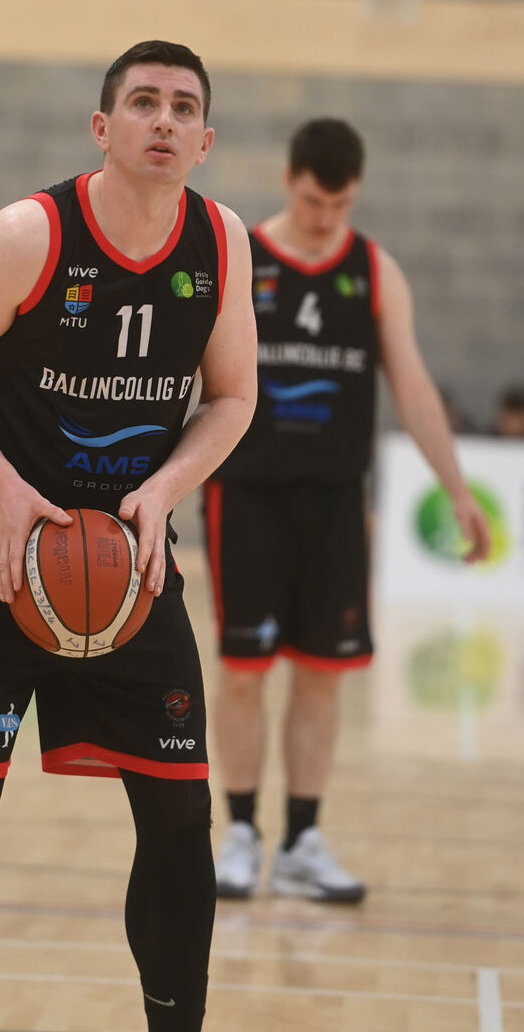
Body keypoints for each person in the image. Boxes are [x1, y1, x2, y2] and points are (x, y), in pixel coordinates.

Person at [0, 41, 257, 1032]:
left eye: (184, 107)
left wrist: (165, 490)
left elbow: (233, 396)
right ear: (103, 128)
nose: (164, 121)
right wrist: (1, 485)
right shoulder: (28, 234)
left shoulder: (220, 244)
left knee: (180, 820)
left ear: (206, 140)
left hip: (126, 566)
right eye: (143, 103)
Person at [203, 118, 491, 903]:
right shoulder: (242, 260)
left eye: (340, 203)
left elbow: (416, 389)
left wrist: (458, 492)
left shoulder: (374, 271)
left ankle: (300, 839)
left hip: (334, 502)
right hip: (247, 494)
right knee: (242, 672)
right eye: (312, 200)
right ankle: (237, 832)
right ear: (289, 180)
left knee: (323, 678)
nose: (326, 216)